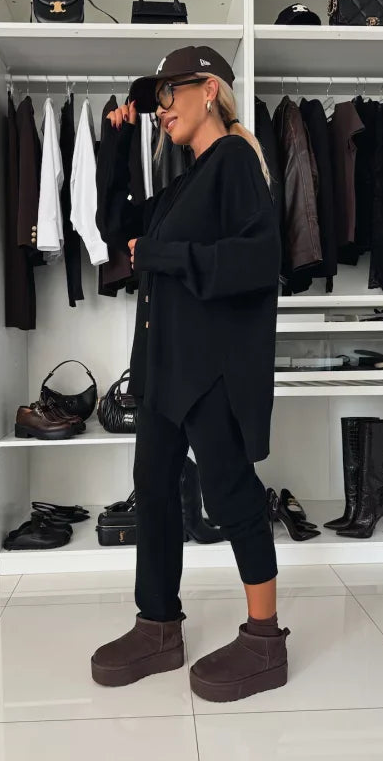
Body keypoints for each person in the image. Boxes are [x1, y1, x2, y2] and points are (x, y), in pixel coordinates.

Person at [91, 46, 289, 703]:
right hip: (162, 366)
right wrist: (119, 143)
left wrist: (164, 255)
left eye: (168, 94)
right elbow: (116, 227)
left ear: (208, 90)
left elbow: (258, 260)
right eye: (155, 101)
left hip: (208, 366)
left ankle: (265, 641)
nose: (160, 109)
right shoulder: (184, 182)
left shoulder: (234, 160)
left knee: (230, 494)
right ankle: (158, 628)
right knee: (153, 491)